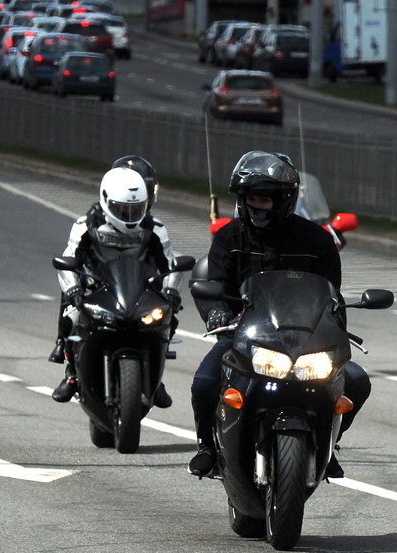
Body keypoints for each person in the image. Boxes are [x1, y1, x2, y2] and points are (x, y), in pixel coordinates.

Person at [188, 150, 371, 479]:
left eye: (264, 199)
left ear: (285, 199)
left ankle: (327, 445)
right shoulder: (229, 237)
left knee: (357, 380)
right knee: (204, 382)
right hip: (244, 338)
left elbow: (331, 299)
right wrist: (216, 313)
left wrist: (335, 331)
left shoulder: (316, 241)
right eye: (250, 198)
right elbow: (213, 283)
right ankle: (207, 448)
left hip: (305, 342)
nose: (256, 206)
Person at [50, 166, 181, 404]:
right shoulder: (85, 225)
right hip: (97, 288)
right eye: (123, 209)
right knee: (71, 316)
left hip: (140, 290)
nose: (129, 215)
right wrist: (74, 290)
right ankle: (70, 372)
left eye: (135, 209)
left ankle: (155, 378)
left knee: (167, 317)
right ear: (106, 202)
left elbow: (170, 265)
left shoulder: (155, 228)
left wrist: (171, 290)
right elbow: (67, 262)